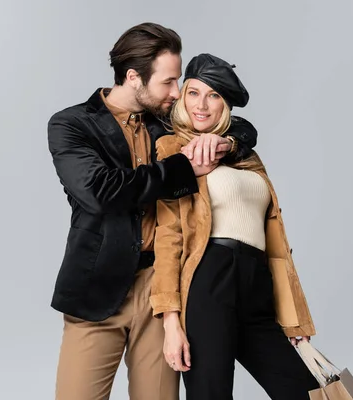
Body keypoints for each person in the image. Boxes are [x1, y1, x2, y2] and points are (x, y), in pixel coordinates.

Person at [47, 24, 258, 400]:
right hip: (97, 292)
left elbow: (240, 126)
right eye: (169, 82)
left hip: (163, 293)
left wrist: (222, 141)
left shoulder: (166, 121)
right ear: (133, 77)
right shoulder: (71, 124)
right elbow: (101, 191)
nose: (178, 93)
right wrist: (183, 169)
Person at [150, 53, 320, 400]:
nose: (202, 105)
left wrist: (292, 316)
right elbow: (169, 236)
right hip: (210, 278)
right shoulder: (174, 149)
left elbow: (273, 241)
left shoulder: (245, 154)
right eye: (194, 93)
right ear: (182, 97)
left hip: (256, 284)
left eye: (214, 95)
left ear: (225, 105)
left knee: (306, 392)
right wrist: (170, 322)